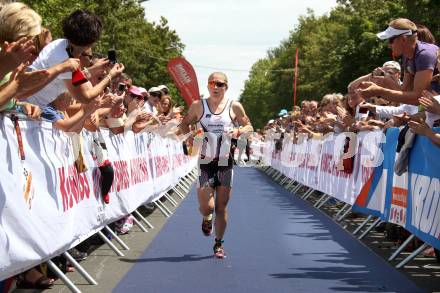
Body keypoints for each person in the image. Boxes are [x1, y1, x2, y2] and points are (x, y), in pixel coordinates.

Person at [177, 72, 253, 258]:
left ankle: (218, 244)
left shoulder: (234, 106)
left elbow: (250, 126)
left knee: (221, 207)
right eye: (212, 83)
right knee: (207, 207)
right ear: (208, 86)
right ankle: (206, 217)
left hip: (225, 163)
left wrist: (238, 130)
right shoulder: (198, 106)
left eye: (220, 84)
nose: (216, 87)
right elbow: (184, 124)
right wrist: (190, 138)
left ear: (226, 87)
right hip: (205, 162)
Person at [359, 18, 439, 105]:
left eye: (391, 40)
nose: (389, 45)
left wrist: (379, 91)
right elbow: (403, 91)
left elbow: (418, 99)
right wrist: (386, 81)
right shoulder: (407, 55)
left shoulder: (424, 55)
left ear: (403, 39)